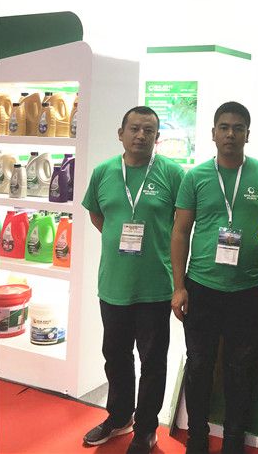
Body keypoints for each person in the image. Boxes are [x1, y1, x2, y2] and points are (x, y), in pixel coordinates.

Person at [171, 101, 258, 454]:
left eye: (238, 128)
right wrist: (178, 286)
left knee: (241, 369)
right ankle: (197, 438)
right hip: (202, 287)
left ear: (248, 134)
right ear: (213, 133)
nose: (230, 134)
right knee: (199, 365)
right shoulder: (195, 176)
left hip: (248, 291)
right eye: (224, 127)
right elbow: (180, 232)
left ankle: (233, 441)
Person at [82, 106, 184, 454]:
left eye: (149, 131)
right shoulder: (103, 172)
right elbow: (98, 215)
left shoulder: (173, 174)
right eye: (135, 129)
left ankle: (146, 429)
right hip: (114, 285)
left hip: (155, 286)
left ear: (157, 137)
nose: (141, 135)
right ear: (121, 133)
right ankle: (119, 416)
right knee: (115, 355)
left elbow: (182, 225)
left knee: (152, 361)